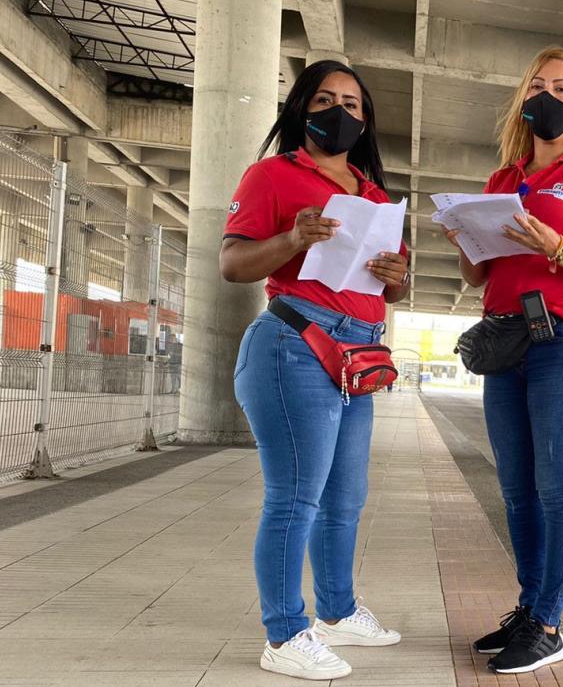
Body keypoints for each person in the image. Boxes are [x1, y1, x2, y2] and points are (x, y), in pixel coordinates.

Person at [443, 46, 563, 675]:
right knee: (517, 491)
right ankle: (528, 611)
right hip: (506, 344)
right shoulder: (502, 181)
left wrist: (560, 248)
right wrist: (463, 237)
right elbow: (478, 276)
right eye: (536, 87)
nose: (545, 97)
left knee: (556, 491)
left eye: (560, 89)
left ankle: (549, 624)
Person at [221, 60, 410, 681]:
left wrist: (398, 278)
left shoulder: (374, 196)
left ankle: (337, 611)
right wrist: (293, 240)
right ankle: (283, 633)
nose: (339, 112)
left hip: (359, 357)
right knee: (295, 497)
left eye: (352, 104)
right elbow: (234, 264)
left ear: (366, 120)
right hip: (294, 346)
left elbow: (392, 289)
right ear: (301, 108)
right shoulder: (272, 175)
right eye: (325, 100)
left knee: (345, 499)